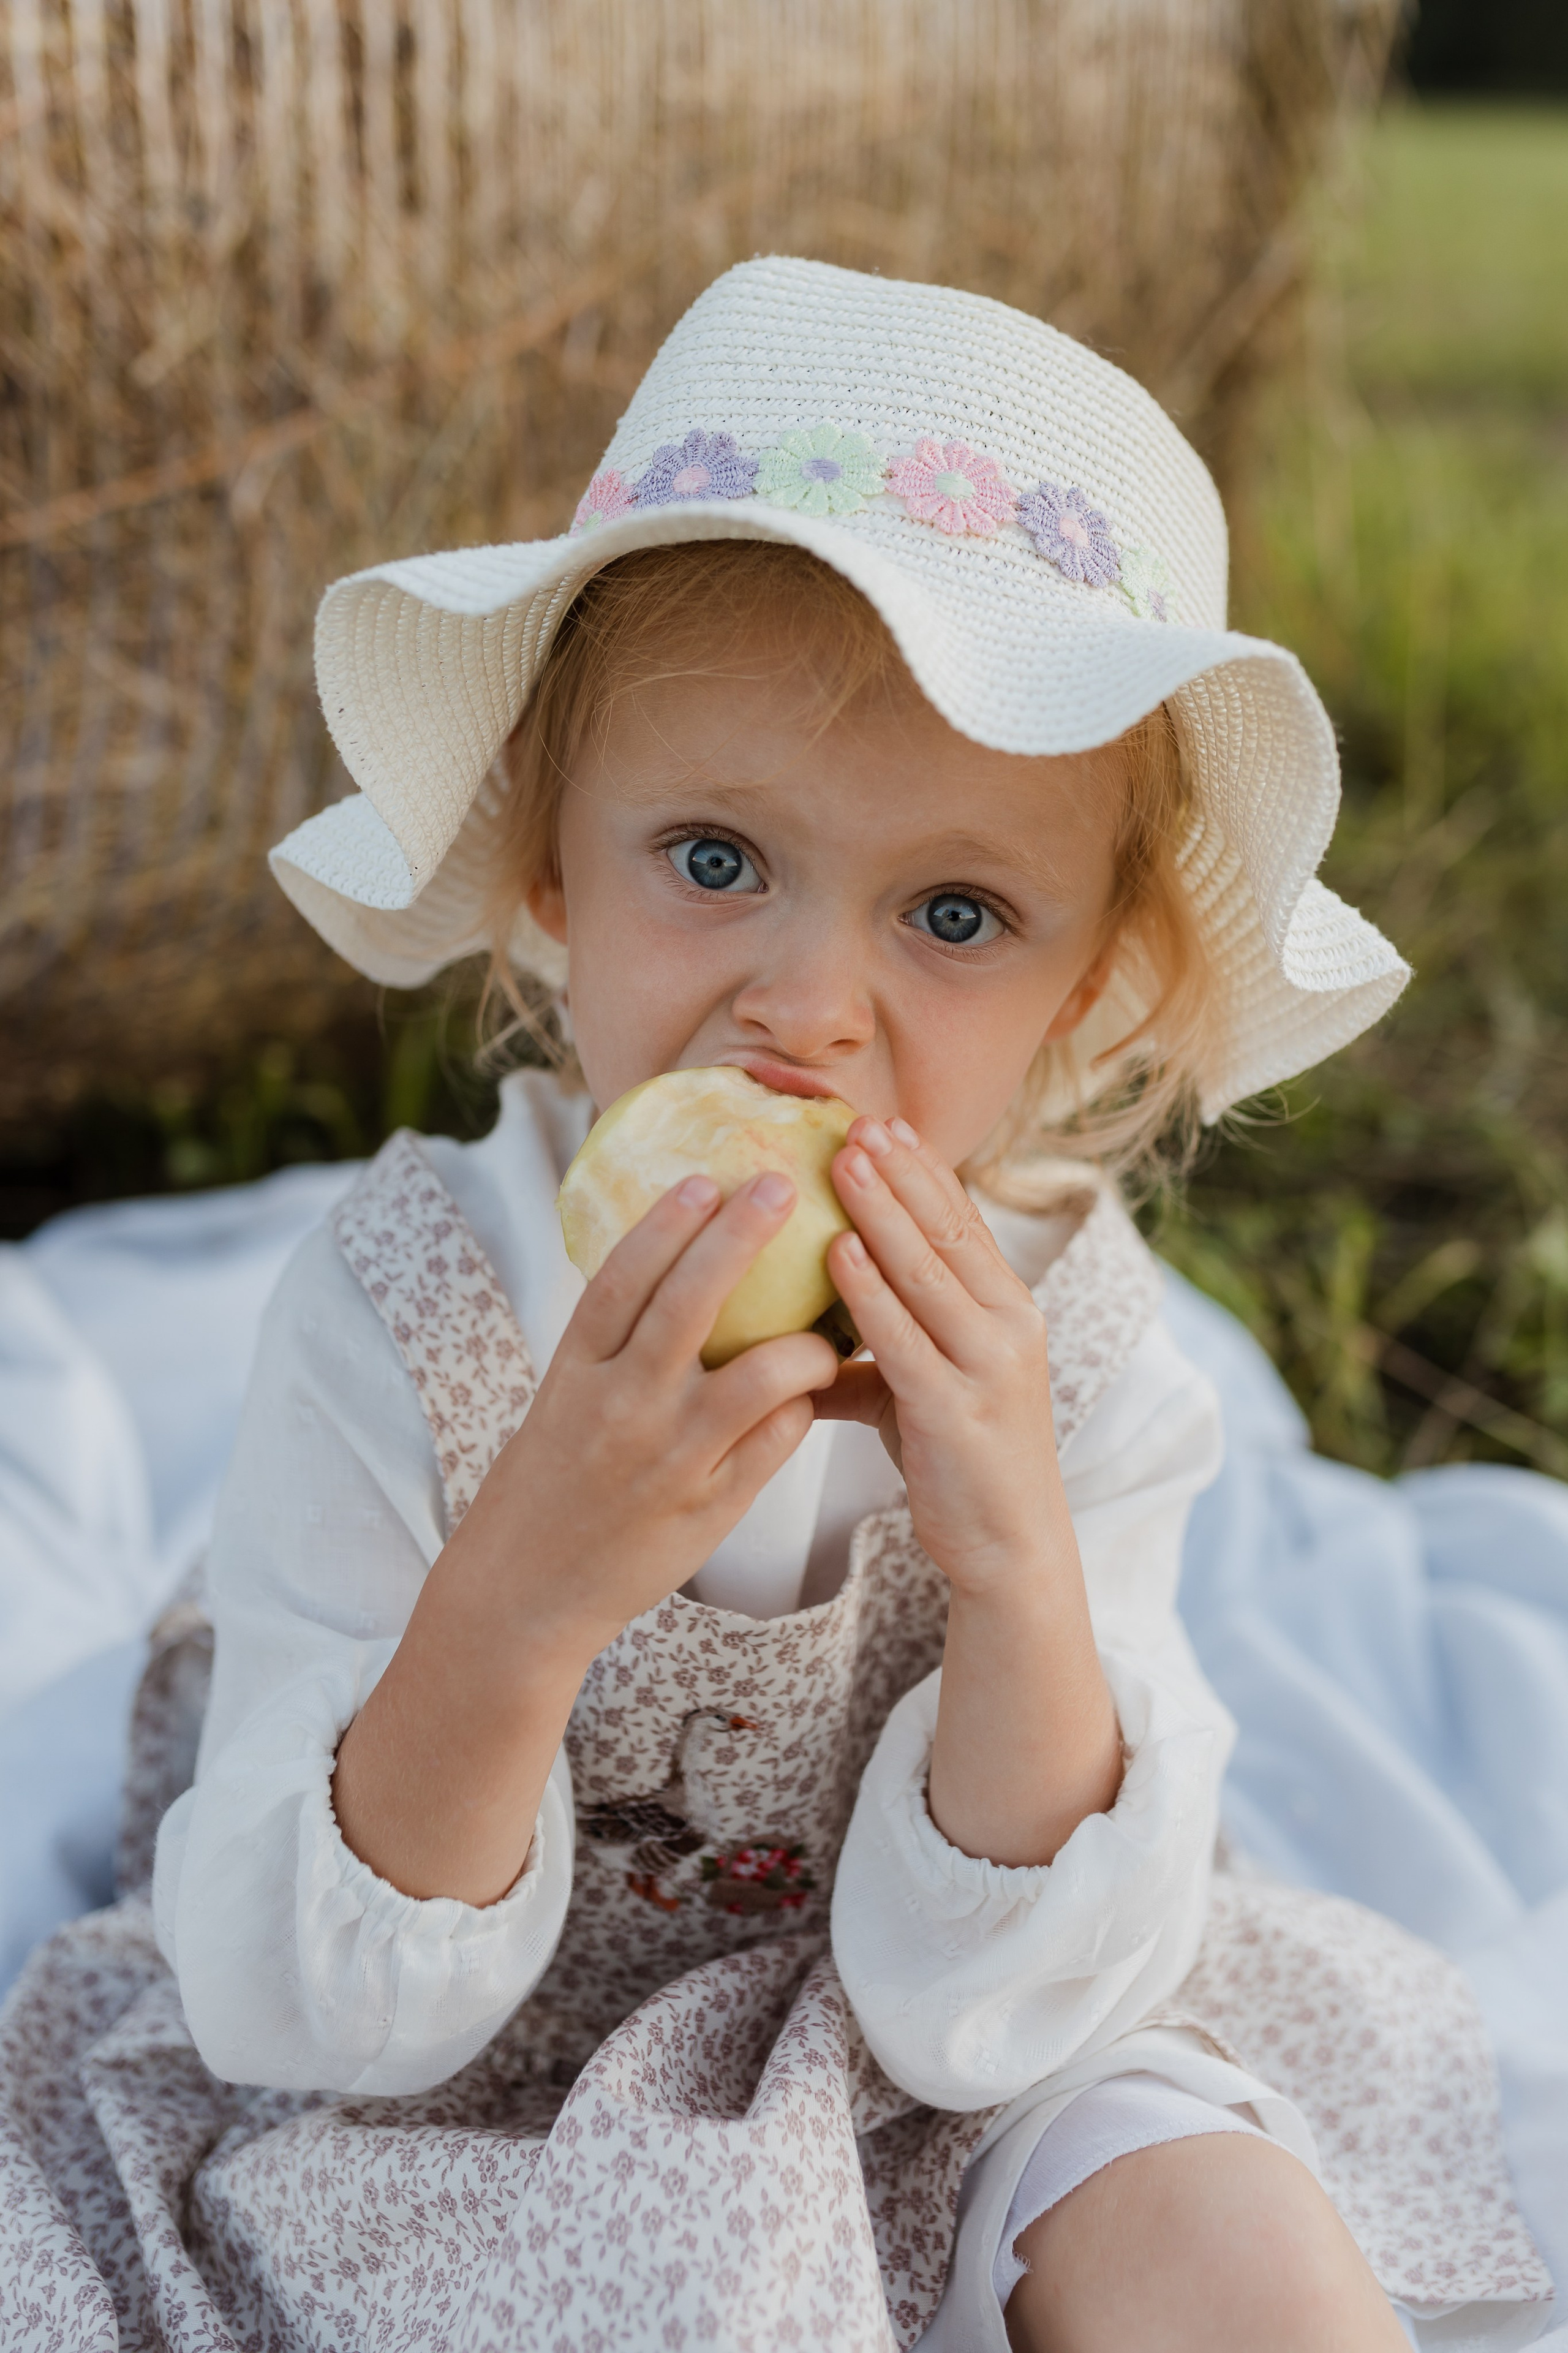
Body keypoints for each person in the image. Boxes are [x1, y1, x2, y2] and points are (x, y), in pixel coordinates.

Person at [0, 258, 1550, 2352]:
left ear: (1086, 985)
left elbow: (998, 2005)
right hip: (486, 2100)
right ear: (546, 863)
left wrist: (1015, 1566)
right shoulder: (414, 1316)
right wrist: (525, 1590)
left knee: (1225, 2228)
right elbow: (317, 2010)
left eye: (955, 911)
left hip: (941, 2066)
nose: (811, 1005)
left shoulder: (1076, 1366)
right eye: (716, 858)